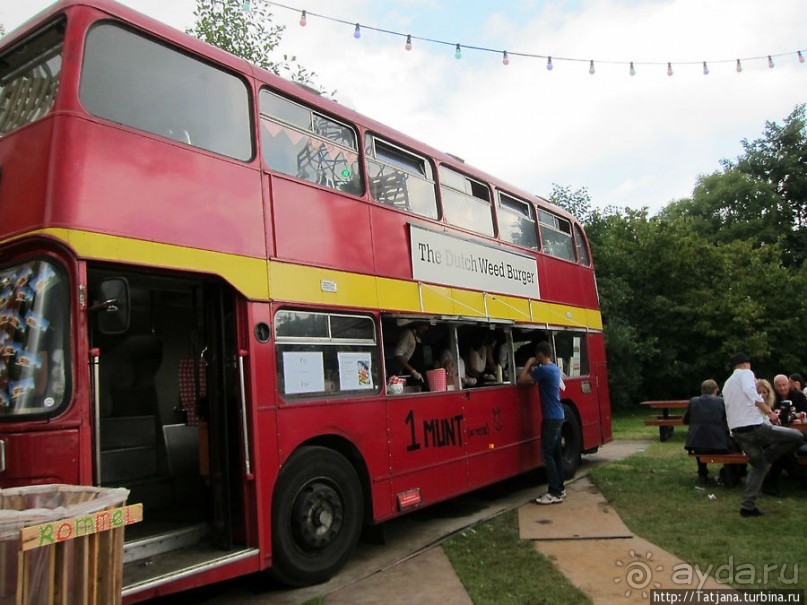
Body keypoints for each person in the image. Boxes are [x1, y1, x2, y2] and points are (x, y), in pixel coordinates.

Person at [722, 354, 803, 517]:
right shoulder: (745, 373)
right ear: (746, 364)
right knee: (797, 436)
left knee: (759, 466)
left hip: (738, 433)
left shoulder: (727, 384)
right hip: (755, 427)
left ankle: (747, 507)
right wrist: (770, 412)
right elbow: (751, 391)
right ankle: (770, 457)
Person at [518, 341, 565, 505]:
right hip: (558, 415)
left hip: (551, 418)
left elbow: (522, 380)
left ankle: (554, 491)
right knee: (557, 453)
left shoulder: (543, 370)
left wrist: (529, 363)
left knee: (547, 454)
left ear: (539, 354)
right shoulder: (554, 369)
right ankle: (560, 487)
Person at [682, 379, 738, 486]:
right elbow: (730, 421)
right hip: (719, 445)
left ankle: (702, 474)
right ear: (716, 390)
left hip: (696, 445)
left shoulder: (693, 401)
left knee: (701, 439)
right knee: (734, 448)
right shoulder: (722, 402)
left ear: (702, 390)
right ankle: (730, 474)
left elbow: (685, 420)